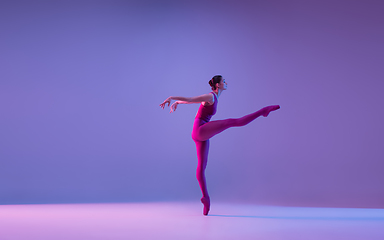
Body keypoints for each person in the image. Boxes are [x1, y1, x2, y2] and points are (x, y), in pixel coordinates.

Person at [160, 75, 280, 216]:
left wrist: (177, 103)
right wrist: (172, 98)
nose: (226, 82)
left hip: (201, 134)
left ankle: (206, 198)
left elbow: (191, 102)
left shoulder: (215, 97)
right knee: (231, 122)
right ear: (217, 85)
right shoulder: (210, 97)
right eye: (223, 81)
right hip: (200, 130)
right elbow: (192, 99)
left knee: (201, 166)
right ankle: (262, 111)